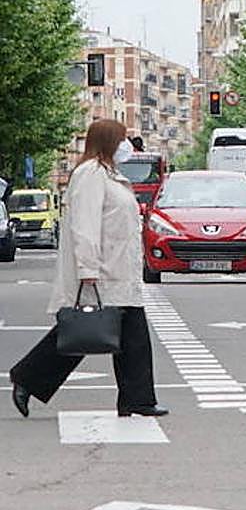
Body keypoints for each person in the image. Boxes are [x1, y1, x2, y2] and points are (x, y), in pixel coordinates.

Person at [10, 119, 167, 419]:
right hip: (102, 270)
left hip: (119, 269)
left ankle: (137, 399)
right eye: (122, 139)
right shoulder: (90, 174)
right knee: (84, 332)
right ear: (108, 140)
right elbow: (85, 224)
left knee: (120, 335)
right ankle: (28, 377)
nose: (127, 146)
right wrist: (87, 268)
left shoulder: (109, 174)